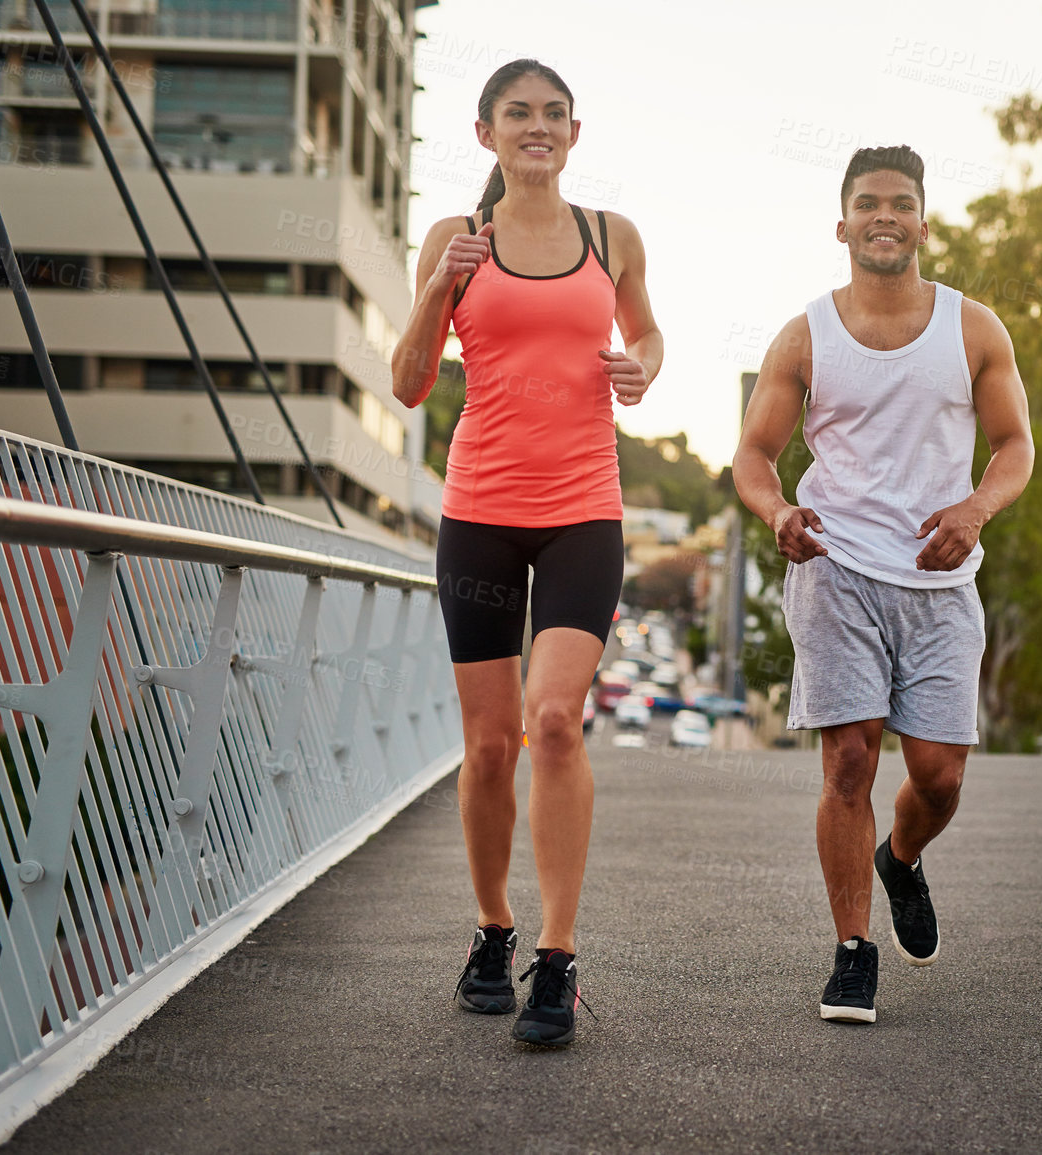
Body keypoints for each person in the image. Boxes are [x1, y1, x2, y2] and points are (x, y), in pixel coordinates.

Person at [391, 59, 662, 1047]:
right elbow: (410, 385)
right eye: (519, 114)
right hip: (481, 513)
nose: (536, 128)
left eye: (553, 114)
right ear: (486, 133)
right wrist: (438, 290)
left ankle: (557, 954)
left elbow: (650, 334)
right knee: (490, 743)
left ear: (574, 134)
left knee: (554, 719)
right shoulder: (454, 241)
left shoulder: (611, 237)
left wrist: (643, 365)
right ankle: (492, 929)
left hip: (585, 508)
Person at [733, 145, 1034, 1024]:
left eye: (900, 203)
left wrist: (974, 510)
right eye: (867, 203)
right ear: (842, 225)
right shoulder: (805, 335)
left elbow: (1015, 446)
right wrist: (775, 511)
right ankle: (852, 952)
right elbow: (753, 456)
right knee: (850, 759)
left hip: (941, 578)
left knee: (937, 776)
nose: (884, 216)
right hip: (836, 567)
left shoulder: (973, 329)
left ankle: (899, 857)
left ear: (922, 224)